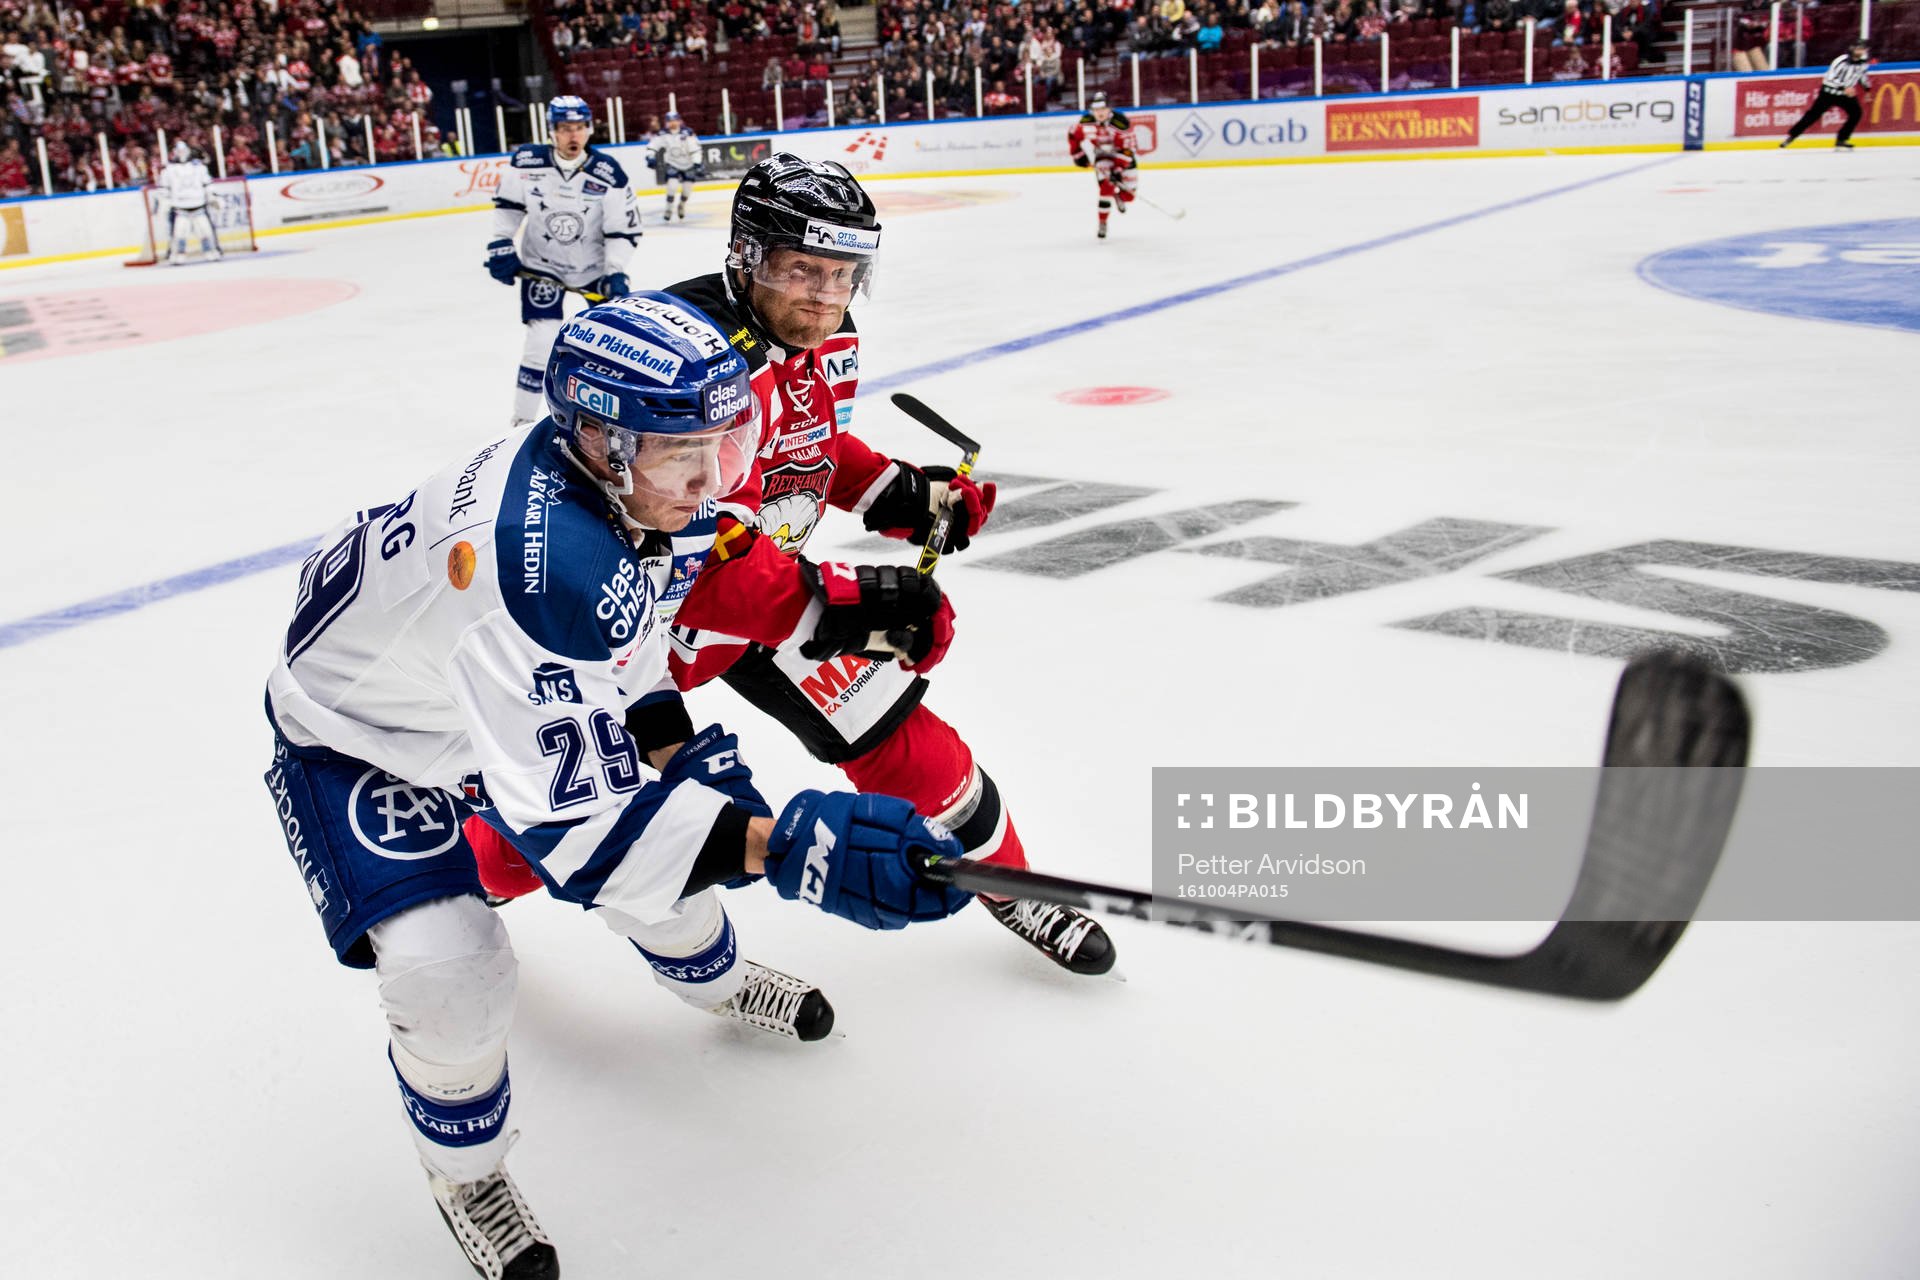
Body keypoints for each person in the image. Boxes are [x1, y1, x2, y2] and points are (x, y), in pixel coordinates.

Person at [262, 294, 972, 1279]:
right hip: (362, 742)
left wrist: (691, 765)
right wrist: (785, 843)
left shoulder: (615, 495)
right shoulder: (538, 562)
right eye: (693, 457)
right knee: (449, 973)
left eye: (726, 447)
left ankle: (716, 983)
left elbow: (630, 645)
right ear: (601, 441)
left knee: (679, 853)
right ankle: (467, 1175)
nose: (718, 482)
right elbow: (586, 840)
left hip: (464, 686)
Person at [467, 155, 1118, 977]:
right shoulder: (691, 360)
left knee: (915, 750)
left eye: (843, 273)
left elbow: (810, 442)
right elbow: (681, 544)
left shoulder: (828, 334)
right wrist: (836, 602)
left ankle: (1007, 883)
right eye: (800, 268)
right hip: (633, 629)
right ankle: (462, 880)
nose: (822, 293)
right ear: (746, 256)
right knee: (542, 837)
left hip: (760, 601)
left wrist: (904, 496)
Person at [486, 95, 642, 426]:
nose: (573, 136)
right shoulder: (527, 163)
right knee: (541, 342)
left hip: (594, 273)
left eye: (580, 128)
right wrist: (501, 244)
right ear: (552, 131)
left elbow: (623, 229)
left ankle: (606, 421)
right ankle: (521, 423)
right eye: (565, 128)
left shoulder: (608, 172)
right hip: (542, 267)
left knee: (607, 346)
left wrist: (615, 272)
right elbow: (508, 207)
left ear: (589, 130)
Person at [1068, 93, 1138, 240]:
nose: (1100, 113)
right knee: (1106, 187)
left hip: (1123, 157)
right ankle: (1102, 222)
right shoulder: (1085, 122)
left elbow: (1129, 148)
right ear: (1092, 110)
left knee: (1129, 197)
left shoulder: (1121, 122)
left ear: (1109, 109)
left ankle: (1119, 195)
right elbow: (1073, 134)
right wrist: (1078, 156)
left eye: (1103, 108)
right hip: (1103, 157)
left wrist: (1118, 170)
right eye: (1096, 109)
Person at [1781, 39, 1873, 150]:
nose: (1861, 51)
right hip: (1828, 93)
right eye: (1858, 48)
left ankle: (1841, 139)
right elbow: (1830, 78)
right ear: (1852, 49)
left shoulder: (1863, 63)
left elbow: (1862, 76)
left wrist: (1867, 90)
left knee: (1856, 113)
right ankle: (1792, 136)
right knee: (1813, 115)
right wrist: (1844, 87)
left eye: (1863, 49)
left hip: (1846, 96)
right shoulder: (1841, 61)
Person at [157, 144, 219, 263]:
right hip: (180, 207)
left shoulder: (198, 167)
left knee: (205, 230)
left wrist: (212, 196)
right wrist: (164, 202)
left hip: (198, 204)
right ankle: (179, 254)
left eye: (183, 150)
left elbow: (207, 183)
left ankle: (210, 251)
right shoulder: (169, 170)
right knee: (180, 233)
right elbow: (164, 188)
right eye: (179, 151)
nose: (181, 153)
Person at [647, 109, 704, 222]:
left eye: (675, 120)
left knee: (687, 191)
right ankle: (668, 209)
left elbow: (695, 149)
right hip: (672, 164)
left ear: (679, 121)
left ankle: (681, 205)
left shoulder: (687, 133)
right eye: (670, 121)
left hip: (688, 165)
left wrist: (697, 163)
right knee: (672, 187)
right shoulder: (663, 134)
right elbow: (653, 145)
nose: (672, 123)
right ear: (666, 122)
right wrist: (650, 156)